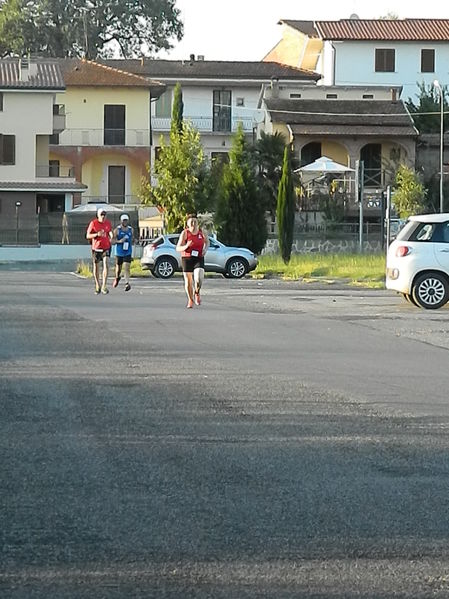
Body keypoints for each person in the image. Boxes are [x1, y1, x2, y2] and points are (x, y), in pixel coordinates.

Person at [176, 214, 209, 308]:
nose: (193, 224)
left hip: (198, 257)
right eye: (191, 222)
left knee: (199, 278)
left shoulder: (202, 232)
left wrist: (205, 249)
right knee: (188, 281)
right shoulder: (185, 233)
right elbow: (178, 248)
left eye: (195, 221)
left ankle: (197, 292)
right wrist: (186, 246)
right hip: (187, 258)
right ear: (188, 224)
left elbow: (207, 242)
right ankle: (190, 300)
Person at [86, 208, 113, 294]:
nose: (103, 216)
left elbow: (109, 231)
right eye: (101, 214)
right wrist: (96, 234)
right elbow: (88, 235)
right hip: (96, 248)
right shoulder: (93, 223)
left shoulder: (108, 223)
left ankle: (104, 285)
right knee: (96, 266)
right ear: (98, 215)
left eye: (104, 215)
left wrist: (111, 236)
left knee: (106, 264)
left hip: (106, 247)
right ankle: (97, 285)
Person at [113, 214, 133, 291]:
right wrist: (119, 241)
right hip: (119, 252)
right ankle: (117, 277)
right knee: (119, 268)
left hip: (128, 251)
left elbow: (133, 238)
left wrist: (134, 241)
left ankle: (127, 283)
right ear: (121, 221)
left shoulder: (131, 230)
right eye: (123, 220)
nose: (125, 222)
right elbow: (112, 241)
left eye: (126, 220)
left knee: (127, 267)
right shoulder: (117, 230)